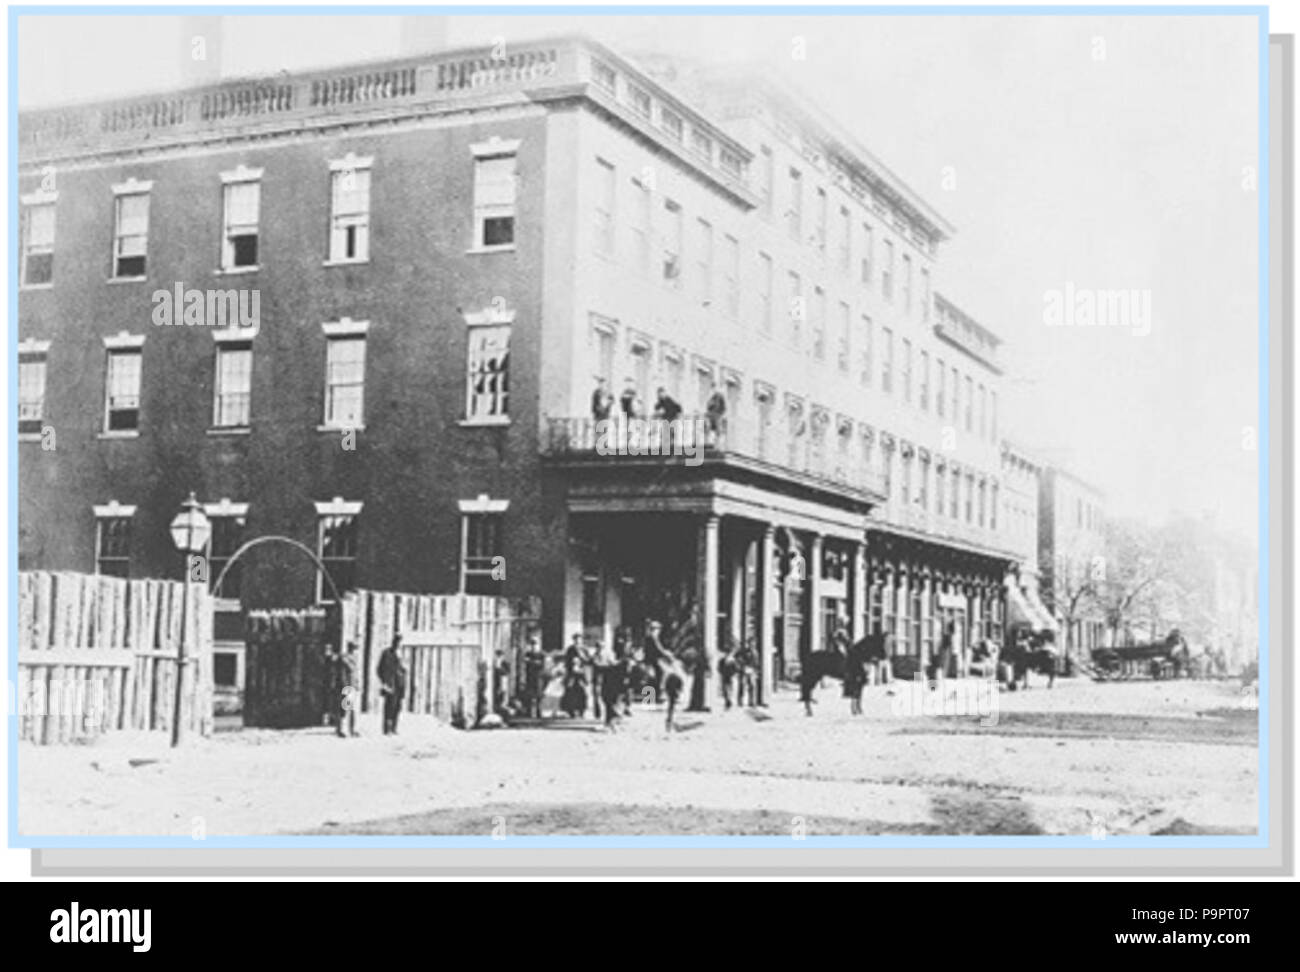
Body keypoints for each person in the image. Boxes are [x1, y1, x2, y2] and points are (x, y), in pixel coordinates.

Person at [377, 635, 408, 736]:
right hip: (391, 684)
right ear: (394, 642)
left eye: (400, 643)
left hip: (400, 684)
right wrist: (384, 682)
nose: (399, 645)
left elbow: (404, 669)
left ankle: (394, 727)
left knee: (397, 706)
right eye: (397, 642)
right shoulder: (386, 653)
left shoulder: (402, 654)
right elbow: (380, 669)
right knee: (389, 706)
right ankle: (387, 729)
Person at [335, 640, 360, 738]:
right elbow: (342, 675)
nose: (355, 651)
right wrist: (345, 687)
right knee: (345, 709)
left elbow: (355, 674)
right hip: (347, 686)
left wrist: (357, 684)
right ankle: (341, 729)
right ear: (350, 648)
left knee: (352, 709)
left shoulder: (354, 659)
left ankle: (352, 729)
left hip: (353, 686)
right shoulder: (344, 659)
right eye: (354, 649)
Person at [642, 620, 668, 703]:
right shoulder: (653, 637)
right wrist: (667, 654)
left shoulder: (649, 637)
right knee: (658, 676)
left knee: (651, 678)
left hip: (649, 661)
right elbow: (659, 649)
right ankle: (654, 697)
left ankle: (649, 698)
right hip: (652, 661)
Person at [522, 636, 546, 719]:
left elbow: (542, 665)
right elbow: (525, 663)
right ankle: (529, 712)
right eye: (532, 644)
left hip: (538, 676)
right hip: (530, 676)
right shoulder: (528, 653)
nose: (533, 646)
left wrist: (531, 662)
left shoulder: (541, 654)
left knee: (539, 694)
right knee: (529, 695)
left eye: (535, 644)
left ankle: (539, 712)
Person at [717, 643, 738, 710]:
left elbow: (735, 668)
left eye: (728, 652)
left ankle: (728, 701)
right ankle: (727, 700)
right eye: (726, 652)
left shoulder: (732, 660)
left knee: (729, 689)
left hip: (730, 676)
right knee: (724, 689)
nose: (727, 654)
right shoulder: (722, 660)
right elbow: (719, 668)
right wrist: (721, 672)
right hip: (724, 676)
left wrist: (733, 674)